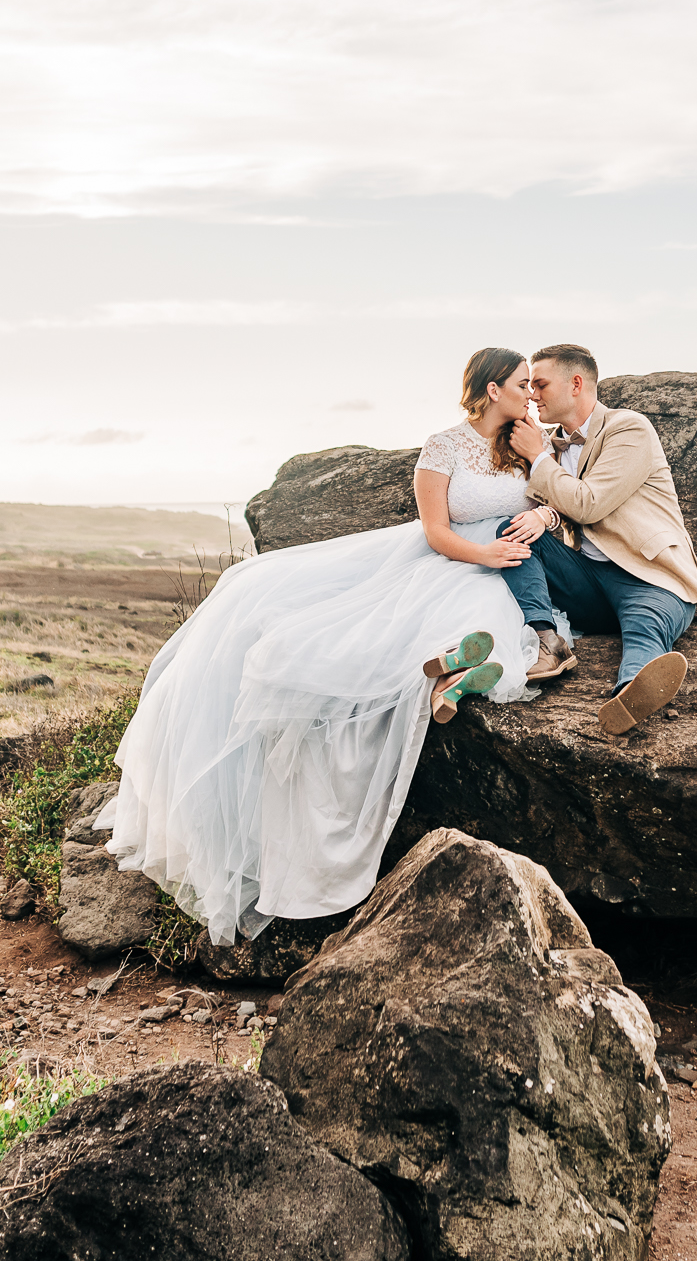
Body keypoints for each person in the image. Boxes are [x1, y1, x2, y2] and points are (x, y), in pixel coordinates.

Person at [94, 347, 550, 946]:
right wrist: (485, 553)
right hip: (451, 558)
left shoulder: (530, 441)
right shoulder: (442, 446)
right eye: (522, 384)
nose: (531, 394)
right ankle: (443, 669)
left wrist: (540, 512)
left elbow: (557, 496)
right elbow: (436, 531)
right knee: (366, 635)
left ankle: (459, 670)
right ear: (493, 389)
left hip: (502, 564)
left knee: (488, 611)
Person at [502, 343, 697, 735]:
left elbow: (590, 504)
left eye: (541, 384)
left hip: (647, 572)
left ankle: (629, 695)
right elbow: (559, 505)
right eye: (529, 386)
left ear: (576, 383)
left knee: (645, 625)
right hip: (587, 578)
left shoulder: (628, 427)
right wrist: (541, 512)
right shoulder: (546, 442)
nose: (532, 394)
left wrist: (538, 459)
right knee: (511, 531)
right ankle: (549, 640)